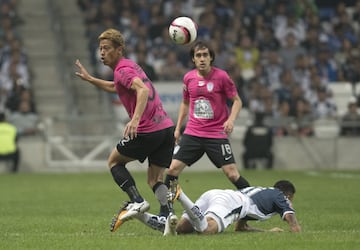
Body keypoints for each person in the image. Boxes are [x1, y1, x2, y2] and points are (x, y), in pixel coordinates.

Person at [74, 28, 175, 232]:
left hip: (147, 130)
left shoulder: (122, 70)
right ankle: (167, 215)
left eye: (107, 48)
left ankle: (137, 201)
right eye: (100, 49)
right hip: (165, 128)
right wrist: (91, 79)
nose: (102, 52)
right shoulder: (129, 67)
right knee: (155, 179)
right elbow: (116, 87)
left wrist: (135, 119)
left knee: (113, 162)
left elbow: (143, 90)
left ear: (119, 50)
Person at [164, 41, 250, 234]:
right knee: (172, 170)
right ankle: (167, 214)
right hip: (193, 133)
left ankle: (248, 215)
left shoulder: (222, 77)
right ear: (193, 59)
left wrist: (231, 120)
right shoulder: (188, 78)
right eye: (198, 56)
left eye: (205, 55)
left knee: (233, 175)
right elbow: (185, 104)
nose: (202, 59)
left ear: (211, 57)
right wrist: (178, 128)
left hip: (216, 135)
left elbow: (237, 101)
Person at [123, 180, 301, 235]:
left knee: (179, 229)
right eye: (290, 199)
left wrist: (268, 232)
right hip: (233, 201)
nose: (289, 202)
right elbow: (291, 220)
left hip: (216, 195)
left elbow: (241, 227)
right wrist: (296, 232)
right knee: (207, 230)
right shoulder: (278, 195)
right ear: (286, 195)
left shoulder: (262, 194)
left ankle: (138, 214)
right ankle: (181, 195)